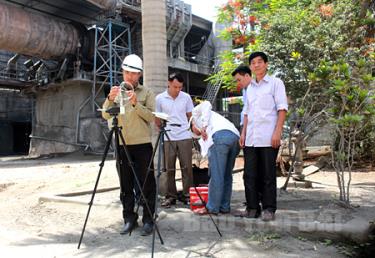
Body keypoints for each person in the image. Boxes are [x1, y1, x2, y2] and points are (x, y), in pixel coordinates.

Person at [101, 54, 156, 236]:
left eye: (133, 73)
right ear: (122, 72)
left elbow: (151, 117)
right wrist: (110, 98)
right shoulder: (117, 92)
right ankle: (129, 219)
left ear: (139, 74)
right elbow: (106, 115)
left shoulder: (147, 93)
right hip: (122, 143)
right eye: (126, 72)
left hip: (142, 145)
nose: (130, 76)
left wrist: (135, 103)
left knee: (147, 183)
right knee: (125, 184)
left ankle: (148, 220)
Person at [239, 51, 288, 221]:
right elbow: (246, 113)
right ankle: (252, 208)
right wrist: (243, 133)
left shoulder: (275, 83)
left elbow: (282, 108)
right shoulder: (249, 88)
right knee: (249, 175)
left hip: (268, 137)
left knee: (267, 175)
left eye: (260, 62)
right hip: (251, 138)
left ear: (266, 64)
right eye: (253, 62)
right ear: (250, 67)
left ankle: (269, 209)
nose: (256, 65)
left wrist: (277, 132)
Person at [191, 101, 240, 215]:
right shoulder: (214, 118)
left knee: (216, 174)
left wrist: (203, 126)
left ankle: (212, 207)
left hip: (220, 137)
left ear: (192, 124)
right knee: (226, 174)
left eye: (193, 132)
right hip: (234, 137)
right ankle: (224, 206)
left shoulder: (195, 114)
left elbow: (207, 104)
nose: (196, 134)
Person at [155, 72, 194, 208]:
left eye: (180, 87)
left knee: (187, 167)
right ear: (169, 83)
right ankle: (170, 196)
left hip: (184, 135)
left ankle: (188, 194)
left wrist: (195, 129)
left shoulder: (186, 97)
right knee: (168, 168)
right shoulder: (160, 98)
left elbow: (190, 116)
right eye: (175, 87)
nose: (178, 90)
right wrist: (161, 129)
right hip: (168, 136)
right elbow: (157, 119)